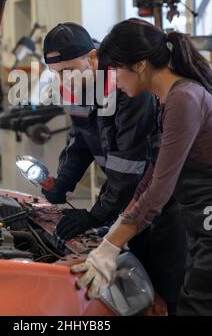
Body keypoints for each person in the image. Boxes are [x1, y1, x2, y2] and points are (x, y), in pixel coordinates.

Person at [71, 18, 212, 316]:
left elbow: (161, 189)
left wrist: (110, 247)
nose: (115, 83)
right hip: (199, 220)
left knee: (196, 306)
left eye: (116, 71)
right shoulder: (167, 100)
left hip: (207, 218)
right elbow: (151, 174)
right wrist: (117, 229)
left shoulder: (184, 100)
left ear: (139, 65)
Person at [43, 22, 186, 314]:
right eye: (56, 74)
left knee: (164, 288)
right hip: (130, 201)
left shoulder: (129, 87)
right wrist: (63, 182)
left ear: (93, 58)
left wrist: (94, 215)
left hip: (163, 204)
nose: (63, 81)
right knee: (135, 283)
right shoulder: (78, 88)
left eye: (68, 70)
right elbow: (80, 140)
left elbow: (129, 168)